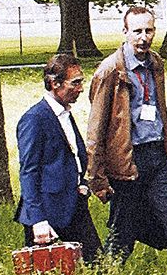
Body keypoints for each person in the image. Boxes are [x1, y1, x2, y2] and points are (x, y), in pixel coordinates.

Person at [87, 5, 167, 275]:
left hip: (159, 161)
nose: (143, 37)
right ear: (125, 32)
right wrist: (96, 178)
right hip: (127, 164)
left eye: (149, 31)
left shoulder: (156, 64)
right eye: (137, 31)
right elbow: (96, 129)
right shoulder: (110, 71)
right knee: (122, 236)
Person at [16, 53, 102, 262]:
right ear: (55, 84)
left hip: (74, 204)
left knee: (99, 265)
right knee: (45, 274)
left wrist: (81, 183)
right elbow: (29, 171)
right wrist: (38, 220)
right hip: (47, 212)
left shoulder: (64, 113)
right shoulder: (34, 119)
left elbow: (72, 155)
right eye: (75, 83)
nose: (81, 89)